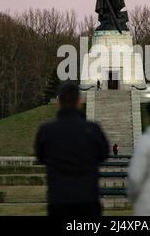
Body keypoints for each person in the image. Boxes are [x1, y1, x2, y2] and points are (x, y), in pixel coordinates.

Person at [35, 82, 109, 216]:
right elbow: (103, 154)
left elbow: (41, 157)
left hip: (59, 200)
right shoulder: (93, 129)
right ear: (79, 102)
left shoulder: (46, 130)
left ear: (58, 102)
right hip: (87, 199)